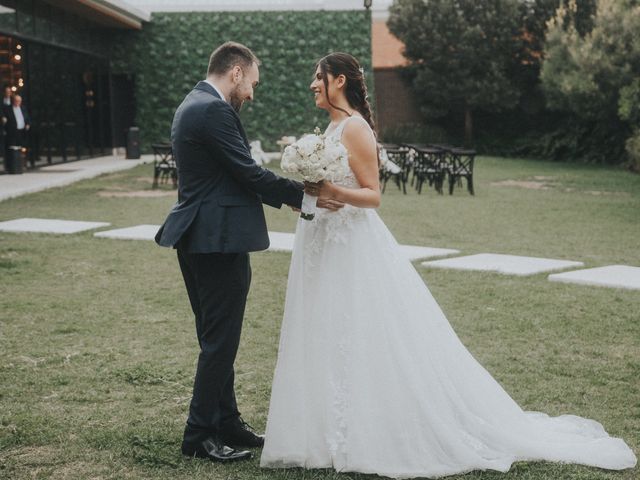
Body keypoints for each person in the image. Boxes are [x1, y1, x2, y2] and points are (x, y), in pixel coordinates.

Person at [260, 52, 637, 478]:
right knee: (326, 328)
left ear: (339, 81)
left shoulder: (356, 128)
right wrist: (313, 195)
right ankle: (326, 430)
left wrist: (331, 190)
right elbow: (333, 190)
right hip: (323, 240)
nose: (313, 84)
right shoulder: (329, 128)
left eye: (318, 77)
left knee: (360, 328)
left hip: (352, 246)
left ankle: (362, 429)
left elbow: (372, 196)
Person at [155, 42, 343, 464]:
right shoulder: (213, 109)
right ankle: (200, 435)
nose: (253, 94)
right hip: (216, 238)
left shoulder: (195, 102)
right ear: (236, 73)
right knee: (220, 341)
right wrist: (304, 195)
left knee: (215, 338)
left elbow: (229, 172)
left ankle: (227, 422)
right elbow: (247, 171)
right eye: (253, 83)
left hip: (201, 236)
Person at [2, 94, 30, 171]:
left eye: (19, 101)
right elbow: (5, 118)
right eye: (16, 101)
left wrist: (27, 124)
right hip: (12, 132)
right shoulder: (8, 109)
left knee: (22, 148)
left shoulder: (23, 108)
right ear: (13, 101)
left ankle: (22, 164)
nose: (18, 102)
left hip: (21, 131)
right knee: (12, 148)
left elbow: (27, 118)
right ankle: (12, 166)